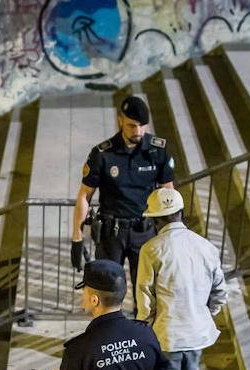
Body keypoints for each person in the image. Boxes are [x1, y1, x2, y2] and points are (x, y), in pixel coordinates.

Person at [135, 188, 228, 370]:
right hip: (197, 333)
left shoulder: (151, 249)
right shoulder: (205, 246)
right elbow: (220, 293)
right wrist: (202, 315)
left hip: (167, 334)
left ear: (155, 220)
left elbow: (145, 296)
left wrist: (144, 327)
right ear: (180, 213)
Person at [71, 95, 176, 288]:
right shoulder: (103, 154)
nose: (138, 131)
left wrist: (174, 233)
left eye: (142, 126)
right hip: (112, 234)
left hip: (144, 231)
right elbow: (85, 195)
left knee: (145, 291)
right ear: (120, 120)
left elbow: (168, 193)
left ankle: (141, 320)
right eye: (132, 125)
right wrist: (77, 238)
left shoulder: (157, 150)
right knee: (108, 289)